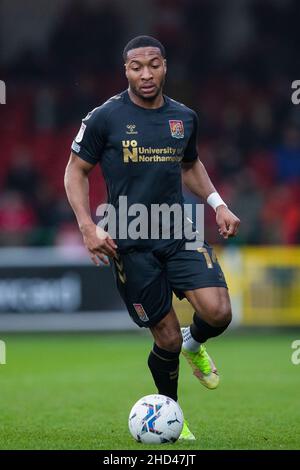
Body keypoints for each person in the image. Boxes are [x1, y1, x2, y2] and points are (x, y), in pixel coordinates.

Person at [64, 35, 240, 440]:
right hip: (130, 240)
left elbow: (190, 165)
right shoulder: (104, 117)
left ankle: (196, 342)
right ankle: (172, 415)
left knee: (219, 313)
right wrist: (88, 226)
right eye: (136, 67)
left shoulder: (184, 117)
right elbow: (75, 170)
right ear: (125, 70)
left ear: (165, 66)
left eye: (154, 64)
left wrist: (218, 204)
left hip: (179, 231)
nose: (146, 74)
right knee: (165, 337)